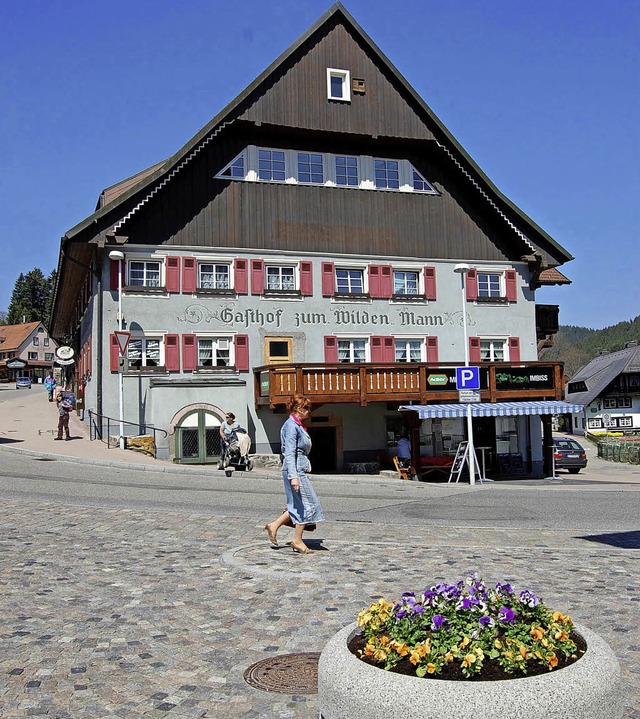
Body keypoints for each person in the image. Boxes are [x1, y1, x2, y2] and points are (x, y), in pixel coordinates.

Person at [264, 394, 324, 554]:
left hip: (298, 469)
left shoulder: (296, 425)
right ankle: (297, 540)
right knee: (308, 505)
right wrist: (294, 477)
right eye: (307, 408)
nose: (309, 412)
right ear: (299, 409)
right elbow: (289, 453)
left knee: (297, 505)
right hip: (295, 470)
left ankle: (274, 525)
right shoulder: (291, 426)